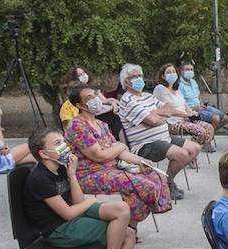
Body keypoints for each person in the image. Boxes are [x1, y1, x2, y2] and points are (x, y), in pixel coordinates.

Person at [23, 127, 135, 249]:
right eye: (58, 143)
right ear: (44, 154)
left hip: (73, 217)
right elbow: (68, 213)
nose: (64, 146)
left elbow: (77, 202)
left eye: (63, 141)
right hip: (60, 230)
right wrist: (91, 201)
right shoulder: (40, 178)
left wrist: (72, 175)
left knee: (122, 209)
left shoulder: (61, 168)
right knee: (127, 234)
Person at [64, 86, 171, 229]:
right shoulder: (77, 126)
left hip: (112, 168)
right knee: (141, 185)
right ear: (79, 105)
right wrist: (120, 146)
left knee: (155, 175)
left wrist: (141, 161)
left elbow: (119, 152)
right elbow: (99, 156)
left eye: (95, 94)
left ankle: (129, 226)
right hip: (88, 174)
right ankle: (128, 228)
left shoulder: (101, 124)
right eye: (89, 97)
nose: (95, 98)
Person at [117, 63, 199, 201]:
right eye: (134, 76)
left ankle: (168, 181)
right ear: (126, 81)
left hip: (163, 137)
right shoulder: (127, 100)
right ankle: (167, 184)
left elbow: (169, 108)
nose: (139, 79)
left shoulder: (147, 96)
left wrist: (154, 113)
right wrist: (158, 115)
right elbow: (153, 121)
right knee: (182, 154)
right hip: (145, 144)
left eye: (140, 76)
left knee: (194, 148)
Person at [153, 63, 215, 149]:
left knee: (209, 128)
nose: (172, 74)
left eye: (174, 72)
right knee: (200, 131)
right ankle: (190, 152)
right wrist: (187, 114)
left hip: (184, 120)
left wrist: (192, 112)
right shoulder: (160, 89)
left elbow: (184, 104)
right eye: (169, 72)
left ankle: (193, 151)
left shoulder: (176, 89)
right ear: (163, 76)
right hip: (171, 122)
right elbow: (169, 110)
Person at [176, 58, 228, 131]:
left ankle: (208, 133)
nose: (190, 71)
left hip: (201, 107)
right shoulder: (179, 85)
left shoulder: (193, 82)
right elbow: (180, 104)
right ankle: (208, 136)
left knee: (225, 118)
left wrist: (202, 104)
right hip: (191, 111)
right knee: (216, 118)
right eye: (187, 70)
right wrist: (195, 108)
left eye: (191, 70)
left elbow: (197, 97)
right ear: (181, 71)